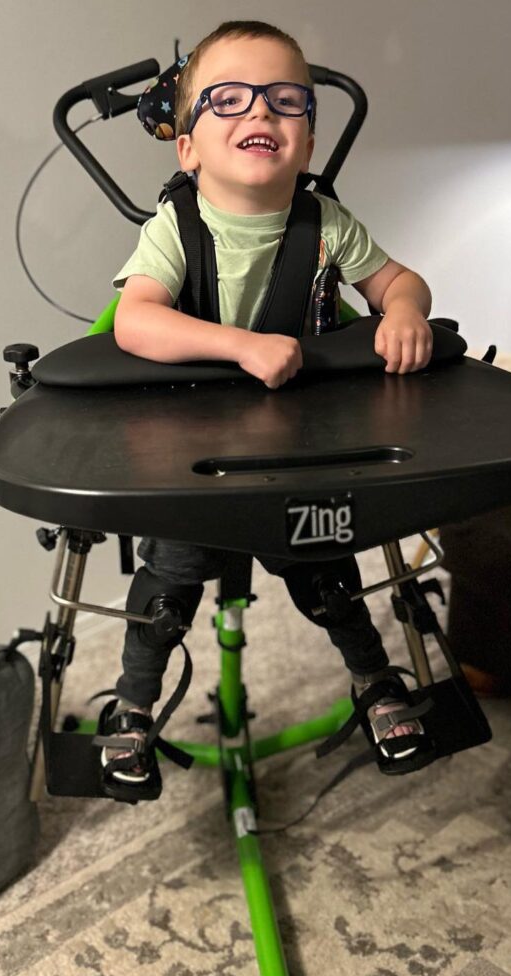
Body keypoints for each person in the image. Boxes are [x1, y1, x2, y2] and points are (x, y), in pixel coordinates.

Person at [98, 20, 435, 792]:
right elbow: (135, 321)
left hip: (297, 443)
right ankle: (133, 705)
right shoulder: (176, 228)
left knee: (328, 573)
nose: (259, 111)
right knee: (167, 588)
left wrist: (403, 310)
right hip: (191, 451)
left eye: (286, 101)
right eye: (229, 99)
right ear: (187, 148)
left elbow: (401, 281)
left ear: (307, 143)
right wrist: (240, 345)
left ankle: (374, 680)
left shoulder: (326, 226)